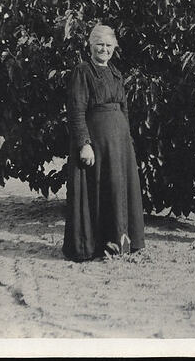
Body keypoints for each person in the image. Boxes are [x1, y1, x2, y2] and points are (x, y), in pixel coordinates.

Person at [62, 24, 145, 261]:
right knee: (97, 192)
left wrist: (127, 140)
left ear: (114, 48)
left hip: (119, 146)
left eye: (109, 45)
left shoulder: (116, 73)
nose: (104, 49)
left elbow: (124, 110)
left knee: (118, 190)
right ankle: (94, 247)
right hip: (96, 145)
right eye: (100, 44)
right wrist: (84, 143)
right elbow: (76, 111)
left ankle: (120, 243)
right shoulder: (82, 71)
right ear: (90, 45)